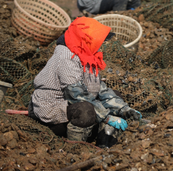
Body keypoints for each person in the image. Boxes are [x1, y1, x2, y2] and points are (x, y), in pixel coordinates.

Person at [29, 17, 142, 146]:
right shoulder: (66, 56)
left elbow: (100, 88)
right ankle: (75, 147)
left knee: (115, 95)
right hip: (52, 109)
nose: (101, 45)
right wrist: (107, 117)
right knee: (85, 110)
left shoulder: (87, 54)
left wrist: (124, 109)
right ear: (87, 39)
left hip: (72, 106)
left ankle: (104, 145)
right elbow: (76, 94)